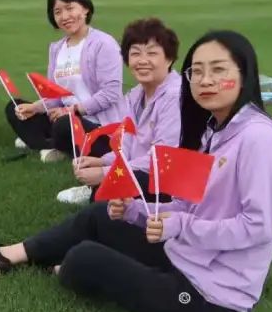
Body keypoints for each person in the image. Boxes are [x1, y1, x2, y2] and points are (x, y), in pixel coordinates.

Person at [0, 30, 272, 312]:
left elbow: (258, 227)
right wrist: (136, 211)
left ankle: (66, 265)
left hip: (213, 296)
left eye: (218, 70)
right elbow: (191, 204)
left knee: (84, 259)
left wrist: (179, 225)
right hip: (186, 256)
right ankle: (6, 255)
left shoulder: (258, 139)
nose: (206, 80)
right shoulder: (214, 131)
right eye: (197, 71)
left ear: (245, 74)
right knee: (101, 215)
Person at [57, 18, 182, 205]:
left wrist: (104, 173)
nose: (142, 61)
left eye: (152, 53)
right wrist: (101, 162)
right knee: (106, 195)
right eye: (135, 53)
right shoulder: (136, 95)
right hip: (141, 171)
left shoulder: (175, 97)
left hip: (168, 180)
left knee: (107, 196)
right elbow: (126, 146)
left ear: (169, 59)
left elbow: (162, 160)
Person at [6, 0, 124, 163]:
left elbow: (110, 94)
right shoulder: (57, 49)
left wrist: (73, 110)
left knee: (65, 124)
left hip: (97, 124)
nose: (65, 16)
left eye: (70, 8)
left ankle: (52, 144)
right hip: (63, 116)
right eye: (58, 12)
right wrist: (34, 108)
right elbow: (54, 96)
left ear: (85, 9)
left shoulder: (103, 44)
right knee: (14, 107)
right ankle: (54, 145)